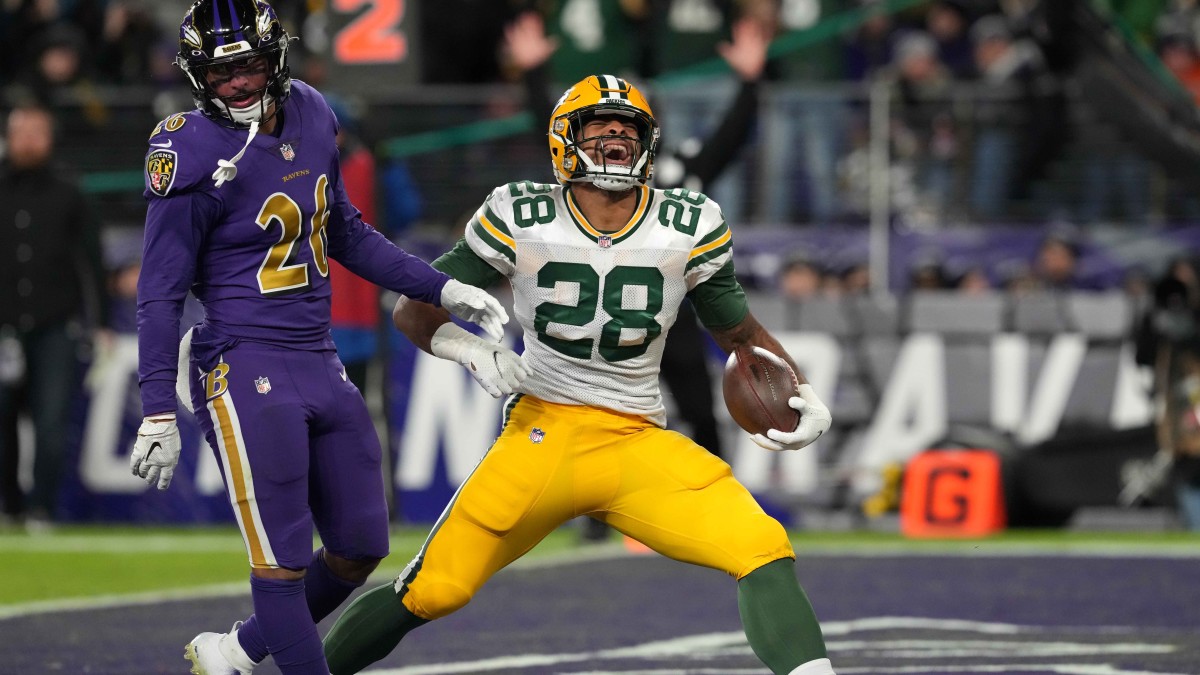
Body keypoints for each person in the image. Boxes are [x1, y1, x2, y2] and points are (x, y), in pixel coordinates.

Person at [320, 75, 837, 675]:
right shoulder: (521, 213)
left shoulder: (689, 222)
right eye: (600, 127)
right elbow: (414, 307)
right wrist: (469, 350)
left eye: (628, 128)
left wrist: (799, 391)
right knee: (433, 590)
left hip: (636, 439)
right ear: (567, 140)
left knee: (761, 545)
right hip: (544, 432)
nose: (616, 136)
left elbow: (740, 335)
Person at [128, 1, 510, 674]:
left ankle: (237, 651)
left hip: (318, 354)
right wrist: (157, 403)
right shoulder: (185, 148)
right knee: (280, 561)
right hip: (240, 360)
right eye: (221, 74)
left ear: (275, 58)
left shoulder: (310, 110)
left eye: (247, 65)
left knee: (362, 544)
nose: (239, 84)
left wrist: (438, 287)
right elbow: (159, 291)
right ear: (197, 78)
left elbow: (346, 232)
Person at [0, 103, 110, 530]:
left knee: (51, 422)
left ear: (50, 138)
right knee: (2, 421)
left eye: (36, 132)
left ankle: (42, 507)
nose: (27, 140)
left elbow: (91, 260)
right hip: (4, 325)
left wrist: (99, 321)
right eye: (20, 131)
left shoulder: (70, 191)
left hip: (55, 325)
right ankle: (10, 506)